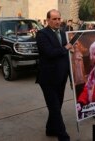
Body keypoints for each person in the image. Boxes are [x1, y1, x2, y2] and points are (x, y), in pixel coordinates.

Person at [35, 9, 72, 141]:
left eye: (59, 19)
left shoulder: (63, 33)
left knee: (57, 106)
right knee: (55, 108)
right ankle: (63, 136)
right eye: (54, 19)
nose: (57, 21)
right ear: (48, 20)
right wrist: (66, 48)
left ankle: (50, 129)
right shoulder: (41, 34)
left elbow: (66, 57)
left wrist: (71, 77)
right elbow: (49, 53)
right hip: (48, 78)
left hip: (61, 78)